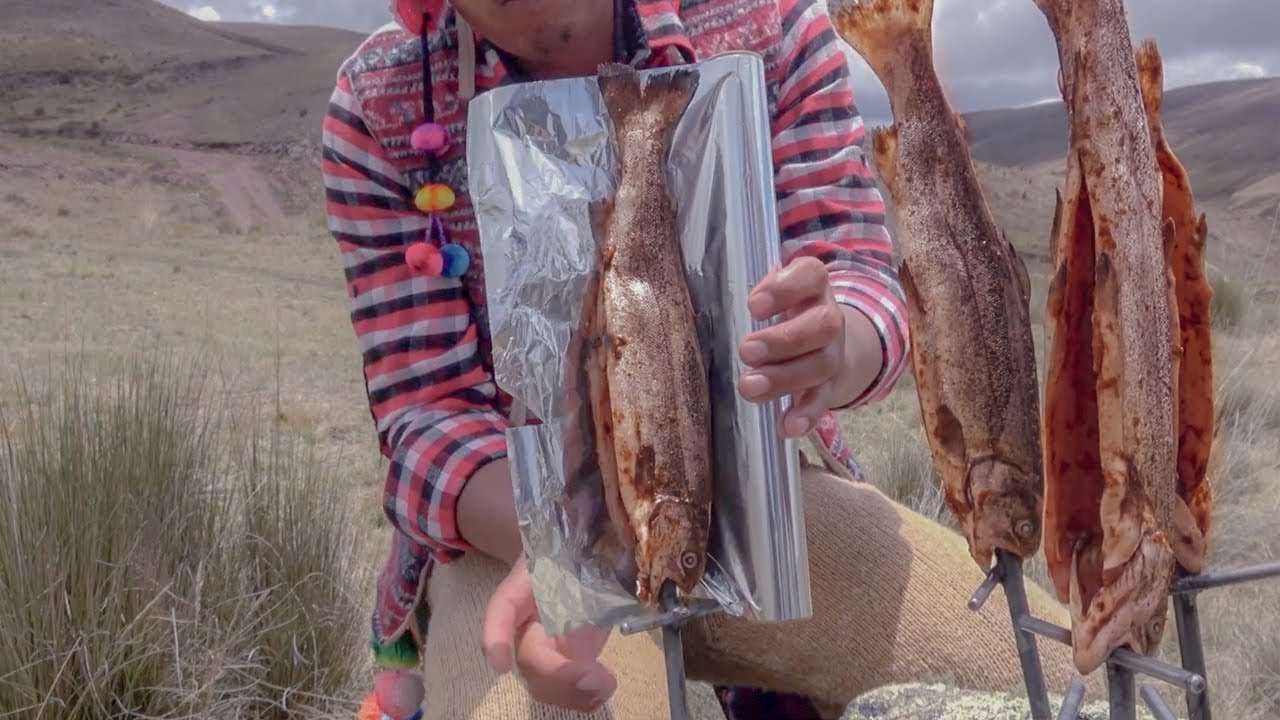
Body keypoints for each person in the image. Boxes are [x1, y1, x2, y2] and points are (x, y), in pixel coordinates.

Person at [322, 1, 1092, 718]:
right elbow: (424, 416)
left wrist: (835, 343)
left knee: (1057, 683)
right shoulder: (381, 103)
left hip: (773, 498)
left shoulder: (769, 20)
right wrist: (563, 547)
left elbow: (859, 275)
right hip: (512, 535)